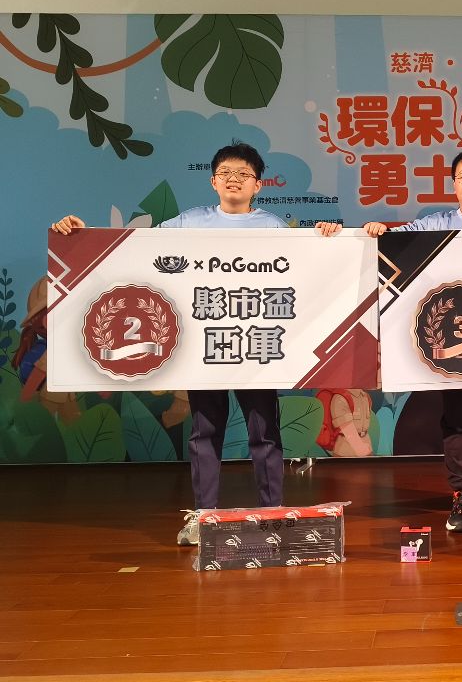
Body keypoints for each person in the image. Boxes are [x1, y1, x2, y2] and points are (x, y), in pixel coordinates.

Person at [53, 141, 337, 545]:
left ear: (258, 185)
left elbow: (307, 268)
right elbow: (133, 248)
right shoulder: (189, 221)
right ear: (212, 181)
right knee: (205, 433)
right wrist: (79, 235)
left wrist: (328, 236)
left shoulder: (273, 227)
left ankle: (273, 513)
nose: (234, 179)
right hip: (206, 348)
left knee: (265, 432)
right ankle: (204, 517)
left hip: (256, 348)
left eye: (244, 174)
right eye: (226, 173)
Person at [360, 148, 462, 535]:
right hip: (449, 342)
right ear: (453, 184)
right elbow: (394, 243)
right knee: (457, 420)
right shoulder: (435, 223)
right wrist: (379, 230)